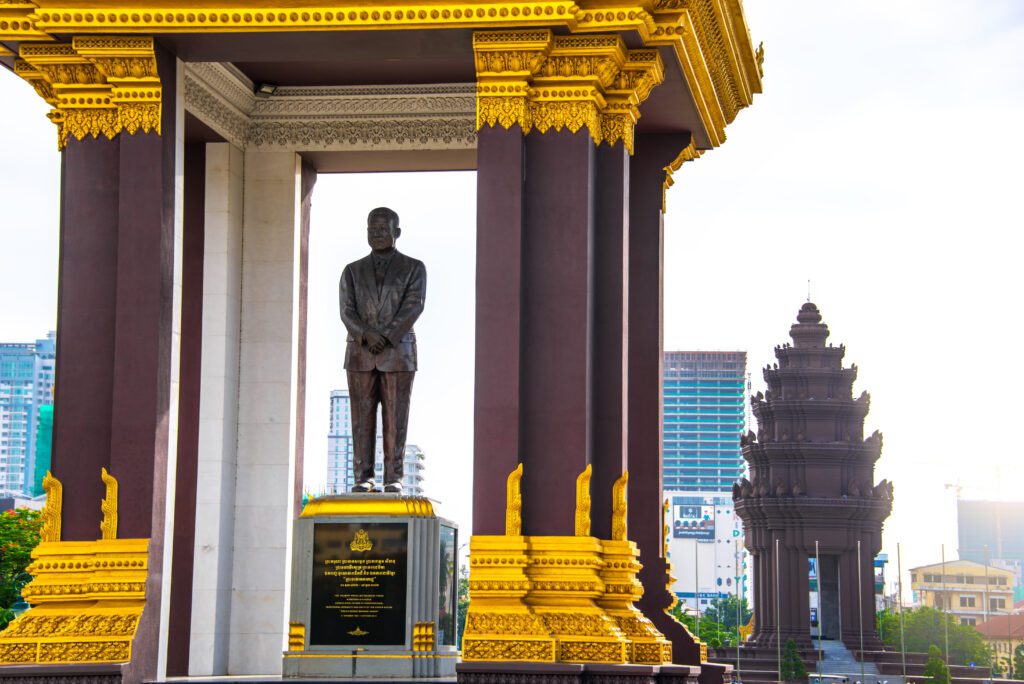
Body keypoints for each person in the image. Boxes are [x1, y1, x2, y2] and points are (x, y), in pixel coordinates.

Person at [339, 207, 426, 493]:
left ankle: (394, 477)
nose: (376, 234)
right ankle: (363, 477)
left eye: (382, 229)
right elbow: (346, 310)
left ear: (396, 233)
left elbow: (414, 305)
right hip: (360, 353)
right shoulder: (352, 271)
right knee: (360, 419)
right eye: (371, 229)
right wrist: (366, 334)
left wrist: (386, 336)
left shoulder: (414, 267)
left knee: (395, 417)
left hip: (398, 352)